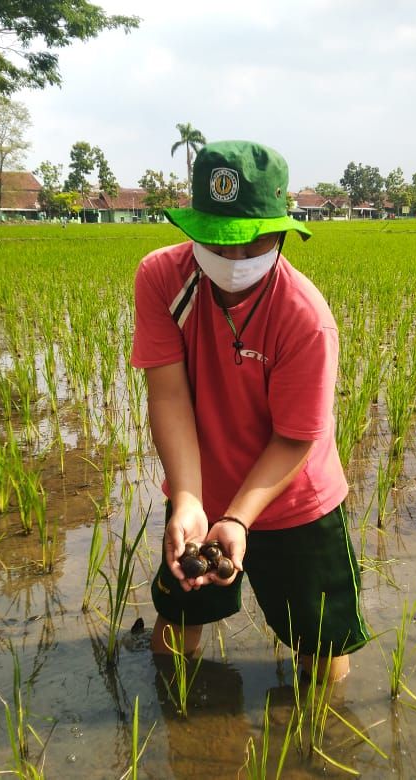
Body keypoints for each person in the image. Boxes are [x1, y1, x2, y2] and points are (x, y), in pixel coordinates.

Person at [130, 140, 369, 682]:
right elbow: (169, 394)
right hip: (202, 481)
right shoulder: (162, 279)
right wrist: (190, 499)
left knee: (321, 641)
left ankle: (318, 737)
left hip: (291, 494)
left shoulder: (303, 317)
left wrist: (238, 517)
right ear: (194, 230)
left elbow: (294, 436)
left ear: (281, 233)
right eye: (218, 242)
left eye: (251, 243)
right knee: (178, 617)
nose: (233, 261)